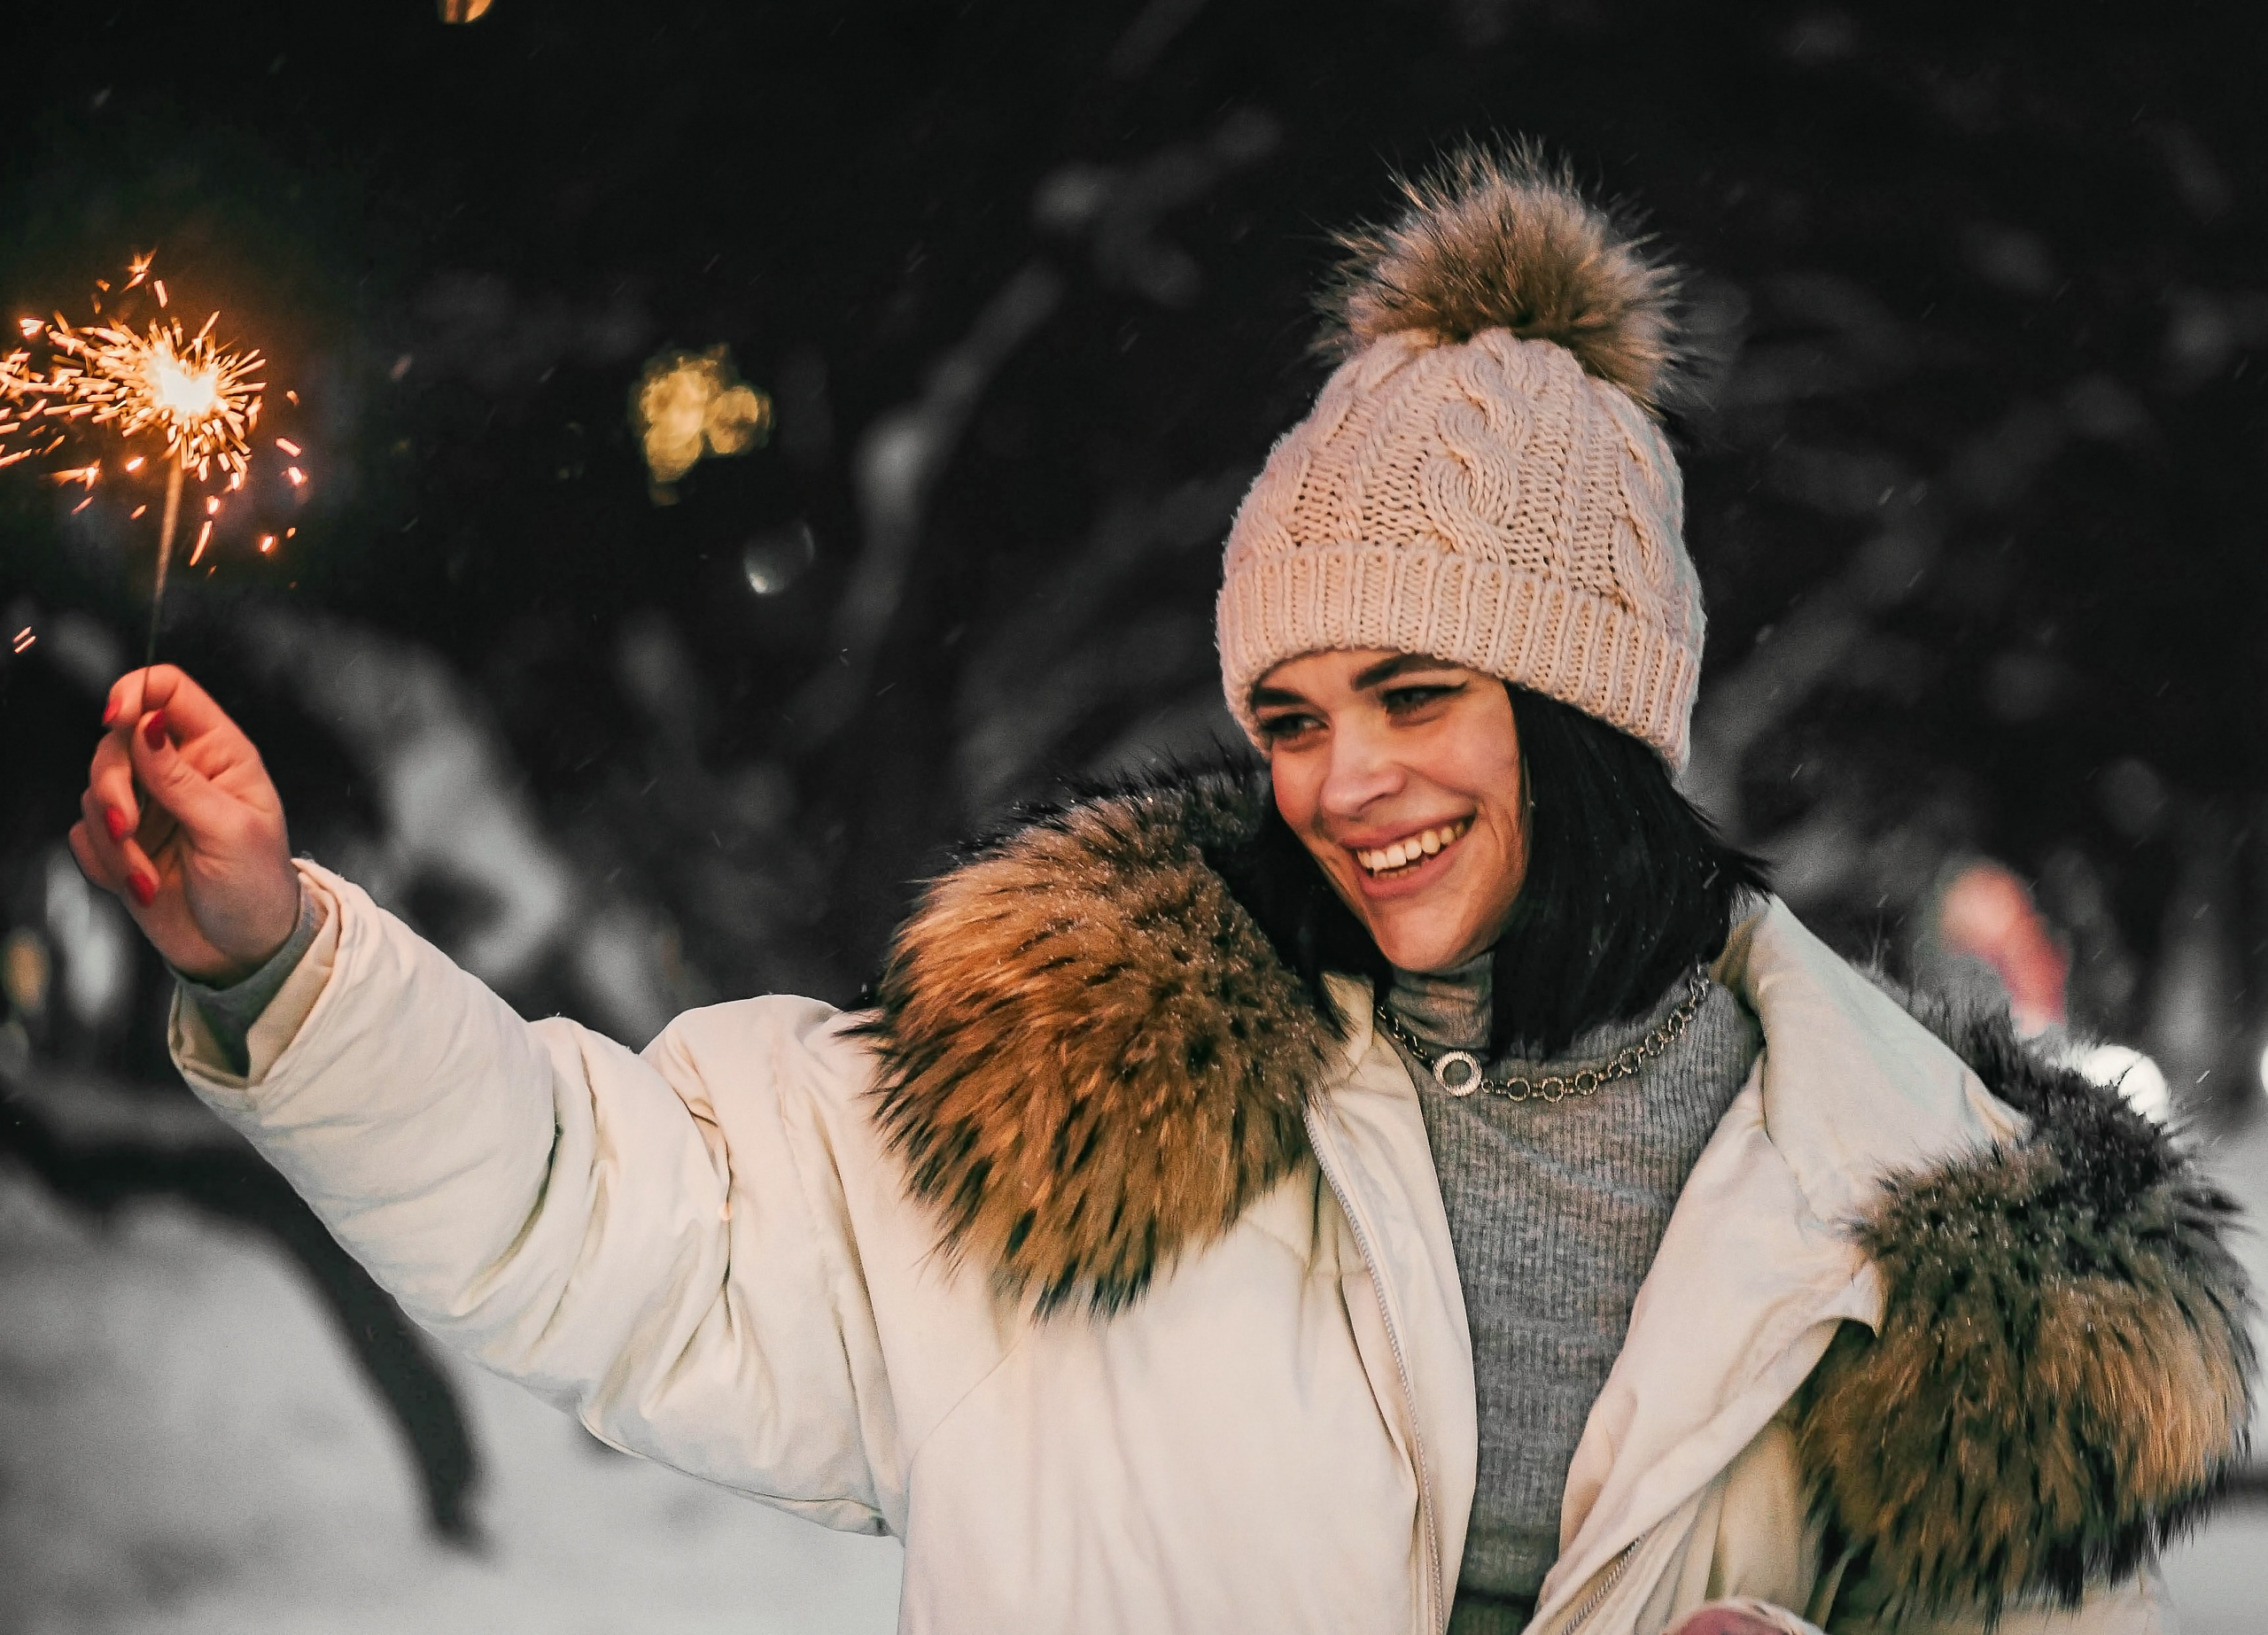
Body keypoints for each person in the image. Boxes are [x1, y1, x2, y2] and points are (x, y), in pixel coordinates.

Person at [70, 147, 2249, 1635]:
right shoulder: (1065, 1106)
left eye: (1411, 689)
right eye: (1285, 710)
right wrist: (291, 965)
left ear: (1594, 714)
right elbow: (615, 1216)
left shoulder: (1945, 1250)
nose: (1338, 775)